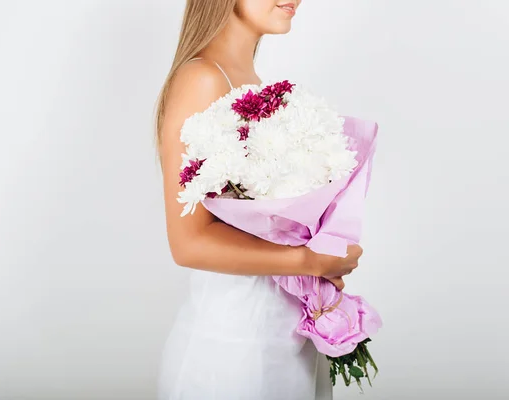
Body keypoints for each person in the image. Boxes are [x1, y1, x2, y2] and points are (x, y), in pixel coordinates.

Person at [154, 1, 364, 398]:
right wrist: (309, 260)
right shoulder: (202, 79)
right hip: (232, 350)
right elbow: (188, 242)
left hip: (281, 339)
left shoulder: (249, 80)